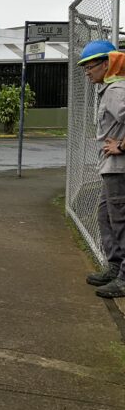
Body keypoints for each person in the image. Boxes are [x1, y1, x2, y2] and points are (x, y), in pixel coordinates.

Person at [78, 40, 125, 298]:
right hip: (111, 168)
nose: (87, 71)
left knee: (120, 222)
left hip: (120, 168)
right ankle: (115, 267)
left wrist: (122, 145)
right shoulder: (109, 90)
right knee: (106, 217)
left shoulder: (117, 90)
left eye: (91, 65)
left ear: (107, 63)